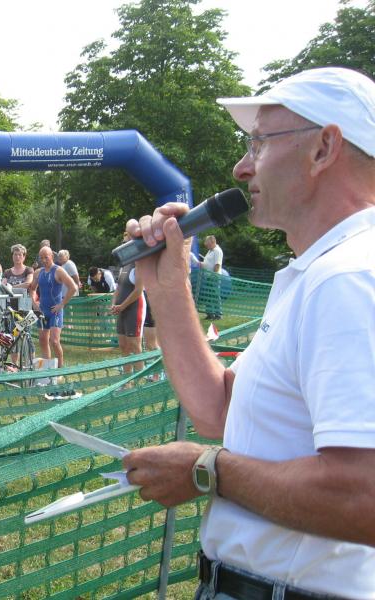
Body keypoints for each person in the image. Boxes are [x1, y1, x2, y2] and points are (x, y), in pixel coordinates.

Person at [122, 67, 375, 599]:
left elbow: (364, 497)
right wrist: (167, 286)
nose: (241, 167)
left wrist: (208, 469)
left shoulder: (349, 278)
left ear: (324, 148)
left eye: (259, 142)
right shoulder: (319, 273)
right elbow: (221, 410)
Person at [29, 246, 77, 368]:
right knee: (43, 340)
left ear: (52, 256)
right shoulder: (38, 272)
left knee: (54, 341)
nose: (44, 260)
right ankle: (48, 368)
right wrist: (34, 303)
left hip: (55, 311)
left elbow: (73, 287)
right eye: (41, 258)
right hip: (42, 310)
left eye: (46, 257)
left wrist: (62, 304)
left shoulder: (58, 270)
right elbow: (32, 289)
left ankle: (60, 368)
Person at [110, 244, 146, 375]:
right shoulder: (124, 266)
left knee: (135, 346)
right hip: (121, 310)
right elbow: (118, 288)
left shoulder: (140, 265)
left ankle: (141, 381)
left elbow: (138, 291)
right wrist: (114, 304)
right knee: (123, 346)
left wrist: (122, 306)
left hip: (134, 309)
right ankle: (127, 380)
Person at [197, 235, 224, 320]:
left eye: (207, 243)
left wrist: (213, 275)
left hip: (214, 277)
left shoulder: (217, 251)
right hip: (208, 277)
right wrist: (202, 264)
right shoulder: (210, 251)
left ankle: (218, 314)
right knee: (208, 295)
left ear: (213, 242)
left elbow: (217, 265)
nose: (206, 245)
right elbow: (208, 263)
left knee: (215, 296)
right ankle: (210, 314)